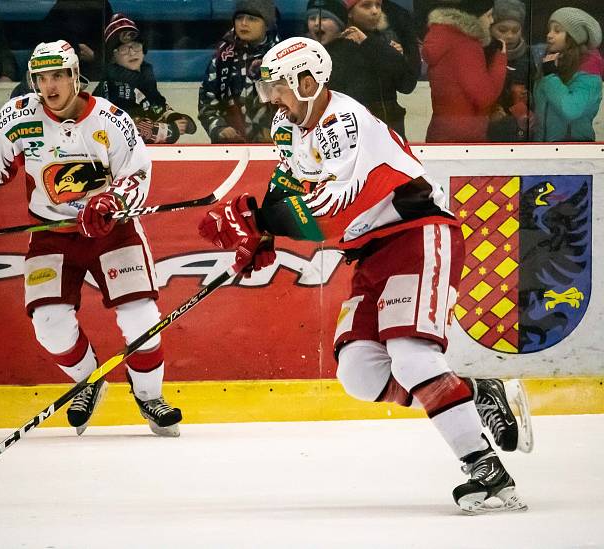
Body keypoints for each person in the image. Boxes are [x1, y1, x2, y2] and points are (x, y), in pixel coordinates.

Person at [198, 36, 532, 513]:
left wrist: (260, 221)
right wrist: (259, 234)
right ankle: (477, 393)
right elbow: (286, 189)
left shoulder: (344, 122)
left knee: (412, 358)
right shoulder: (286, 126)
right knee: (358, 372)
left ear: (309, 82)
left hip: (417, 232)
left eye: (279, 86)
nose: (271, 96)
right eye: (268, 86)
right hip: (371, 252)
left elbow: (330, 210)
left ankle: (487, 471)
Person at [0, 40, 183, 437]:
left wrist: (111, 202)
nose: (49, 87)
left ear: (75, 76)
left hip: (111, 231)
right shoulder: (18, 118)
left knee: (141, 316)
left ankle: (150, 397)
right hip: (50, 234)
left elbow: (137, 174)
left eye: (57, 76)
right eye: (41, 78)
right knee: (49, 323)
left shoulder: (110, 119)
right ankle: (89, 382)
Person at [93, 13, 196, 145]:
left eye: (136, 46)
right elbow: (127, 127)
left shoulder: (143, 79)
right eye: (124, 49)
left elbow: (157, 105)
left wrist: (173, 116)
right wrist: (171, 130)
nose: (132, 53)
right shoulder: (114, 86)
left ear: (143, 49)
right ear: (113, 56)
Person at [326, 0, 420, 139]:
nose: (375, 11)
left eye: (378, 5)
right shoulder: (337, 48)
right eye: (366, 5)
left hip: (390, 134)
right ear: (350, 12)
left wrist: (374, 46)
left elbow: (407, 85)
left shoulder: (385, 44)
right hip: (355, 135)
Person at [422, 0, 506, 142]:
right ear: (475, 16)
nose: (492, 21)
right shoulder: (466, 46)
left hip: (440, 131)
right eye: (489, 15)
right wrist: (500, 59)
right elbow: (484, 97)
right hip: (466, 137)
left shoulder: (442, 37)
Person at [198, 0, 280, 144]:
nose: (243, 23)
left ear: (267, 25)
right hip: (231, 149)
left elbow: (294, 106)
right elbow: (207, 104)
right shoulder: (221, 58)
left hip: (274, 148)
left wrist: (278, 132)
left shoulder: (282, 56)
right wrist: (219, 129)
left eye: (252, 19)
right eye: (239, 18)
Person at [533, 7, 602, 142]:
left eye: (557, 31)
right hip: (544, 148)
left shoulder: (589, 71)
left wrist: (551, 76)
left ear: (573, 37)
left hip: (573, 150)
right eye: (549, 29)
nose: (549, 35)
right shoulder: (553, 63)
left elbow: (571, 109)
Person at [487, 0, 532, 142]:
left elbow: (539, 91)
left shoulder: (530, 56)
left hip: (522, 133)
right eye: (502, 30)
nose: (510, 35)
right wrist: (489, 112)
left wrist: (529, 99)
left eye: (515, 30)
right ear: (490, 28)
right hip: (488, 133)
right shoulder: (482, 55)